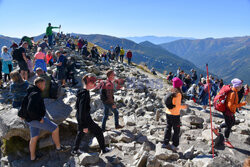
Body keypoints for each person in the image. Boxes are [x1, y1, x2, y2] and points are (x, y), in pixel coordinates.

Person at [19, 77, 70, 161]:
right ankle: (59, 148)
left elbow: (25, 104)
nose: (45, 86)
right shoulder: (35, 94)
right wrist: (39, 118)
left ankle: (33, 157)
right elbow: (30, 109)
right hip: (35, 119)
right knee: (55, 128)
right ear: (39, 84)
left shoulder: (31, 91)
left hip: (30, 120)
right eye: (44, 84)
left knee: (34, 137)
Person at [72, 74, 111, 155]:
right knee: (98, 131)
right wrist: (84, 125)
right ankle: (104, 149)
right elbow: (82, 110)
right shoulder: (85, 94)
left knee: (80, 133)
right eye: (93, 83)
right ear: (89, 83)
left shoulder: (81, 92)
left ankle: (75, 150)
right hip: (85, 118)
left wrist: (81, 122)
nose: (94, 85)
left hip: (80, 116)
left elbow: (77, 107)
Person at [216, 78, 247, 147]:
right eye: (240, 86)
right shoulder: (233, 93)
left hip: (230, 111)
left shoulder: (235, 91)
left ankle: (218, 127)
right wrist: (241, 104)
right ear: (236, 86)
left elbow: (232, 104)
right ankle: (225, 140)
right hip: (228, 111)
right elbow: (230, 105)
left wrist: (239, 105)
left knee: (232, 123)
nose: (241, 87)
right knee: (229, 126)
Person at [162, 77, 187, 151]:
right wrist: (184, 106)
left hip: (168, 113)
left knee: (168, 127)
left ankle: (165, 143)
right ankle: (174, 145)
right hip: (175, 114)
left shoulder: (171, 91)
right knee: (176, 130)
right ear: (179, 85)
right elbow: (178, 106)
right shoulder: (178, 94)